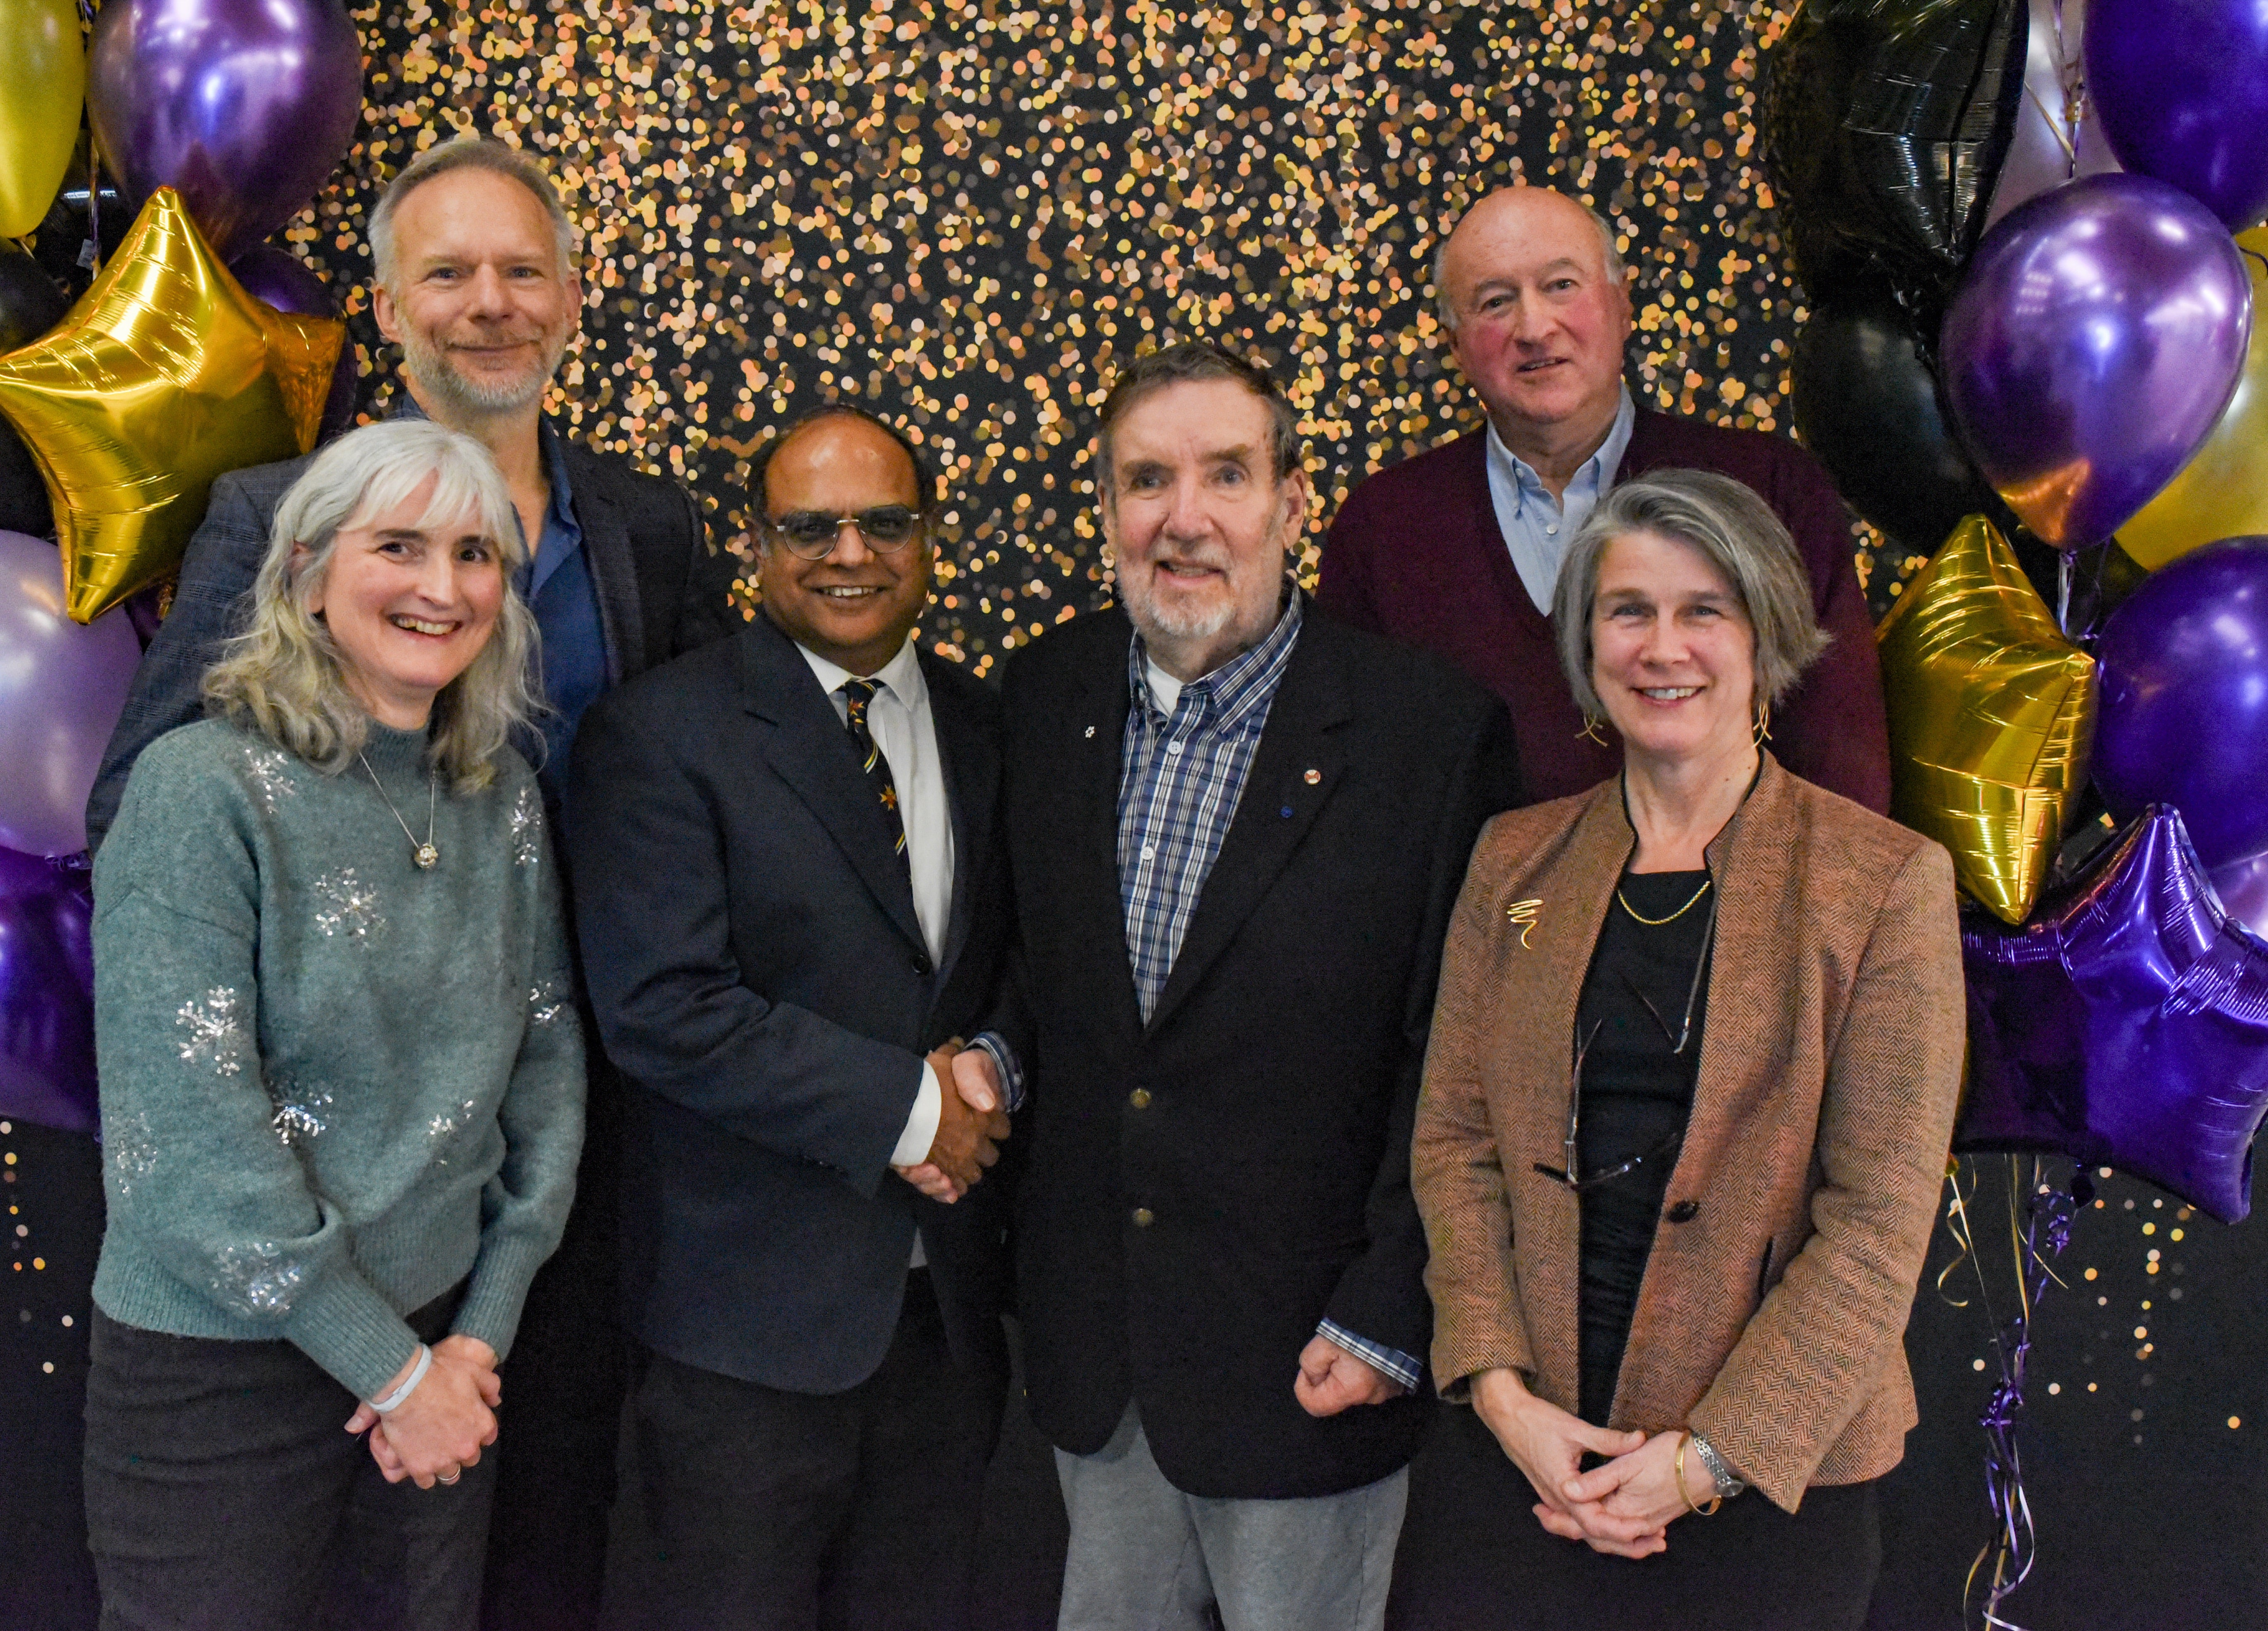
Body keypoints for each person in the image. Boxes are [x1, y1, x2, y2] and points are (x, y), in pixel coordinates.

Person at [83, 135, 741, 1630]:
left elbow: (701, 818)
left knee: (528, 1553)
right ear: (385, 308)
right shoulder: (265, 533)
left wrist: (474, 1317)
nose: (489, 303)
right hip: (291, 1214)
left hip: (535, 1173)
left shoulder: (646, 533)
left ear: (571, 299)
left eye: (521, 270)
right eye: (447, 272)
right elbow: (152, 811)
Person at [955, 341, 1521, 1631]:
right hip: (1097, 1351)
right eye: (1146, 480)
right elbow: (1033, 973)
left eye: (1225, 474)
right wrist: (992, 1055)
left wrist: (1391, 1307)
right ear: (1104, 509)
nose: (1184, 518)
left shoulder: (1425, 732)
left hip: (1311, 1349)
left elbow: (1463, 1051)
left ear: (1291, 499)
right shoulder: (1045, 694)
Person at [1395, 470, 1964, 1631]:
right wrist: (1503, 1399)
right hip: (1518, 1474)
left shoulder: (1881, 882)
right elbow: (1453, 1146)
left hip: (1768, 1492)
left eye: (1704, 608)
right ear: (1585, 644)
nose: (1664, 646)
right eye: (1628, 609)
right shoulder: (1510, 860)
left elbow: (1877, 1227)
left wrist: (1701, 1462)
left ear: (1764, 636)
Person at [82, 418, 583, 1631]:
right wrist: (393, 1371)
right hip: (224, 1370)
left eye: (474, 552)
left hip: (444, 1351)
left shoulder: (496, 790)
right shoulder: (200, 787)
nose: (440, 585)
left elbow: (546, 1059)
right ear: (305, 574)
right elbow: (189, 1142)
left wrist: (473, 1341)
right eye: (398, 545)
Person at [566, 406, 1016, 1631]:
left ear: (931, 540)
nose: (849, 551)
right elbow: (664, 1007)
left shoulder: (990, 726)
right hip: (743, 1338)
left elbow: (1024, 962)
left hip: (952, 1327)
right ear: (755, 548)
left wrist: (989, 1068)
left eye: (884, 521)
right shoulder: (662, 733)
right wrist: (912, 1109)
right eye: (808, 525)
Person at [1315, 185, 1889, 813]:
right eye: (1495, 302)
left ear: (1622, 305)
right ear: (1455, 347)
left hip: (1729, 900)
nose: (1535, 328)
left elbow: (1842, 770)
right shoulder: (1382, 529)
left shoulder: (1768, 489)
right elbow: (1353, 795)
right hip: (1470, 909)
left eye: (1562, 285)